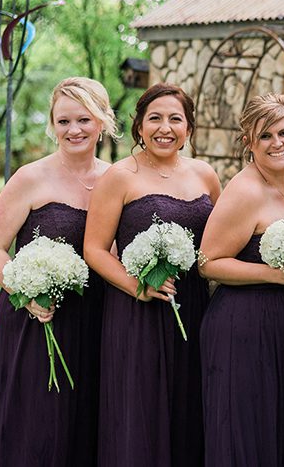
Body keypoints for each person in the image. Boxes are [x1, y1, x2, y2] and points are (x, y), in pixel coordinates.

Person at [0, 77, 115, 466]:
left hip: (95, 320)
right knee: (36, 426)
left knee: (84, 425)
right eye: (64, 121)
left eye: (83, 120)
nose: (74, 130)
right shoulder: (30, 177)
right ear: (52, 125)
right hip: (35, 320)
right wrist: (26, 292)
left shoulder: (116, 180)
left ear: (101, 122)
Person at [85, 83, 220, 466]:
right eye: (155, 118)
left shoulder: (205, 175)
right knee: (141, 415)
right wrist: (137, 287)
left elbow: (220, 242)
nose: (165, 127)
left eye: (175, 119)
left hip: (195, 309)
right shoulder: (119, 176)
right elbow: (94, 248)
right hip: (137, 313)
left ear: (189, 128)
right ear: (139, 127)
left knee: (190, 408)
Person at [198, 93, 284, 466]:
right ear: (248, 142)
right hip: (245, 327)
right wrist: (272, 274)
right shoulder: (244, 191)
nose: (277, 143)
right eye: (265, 135)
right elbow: (207, 262)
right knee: (250, 431)